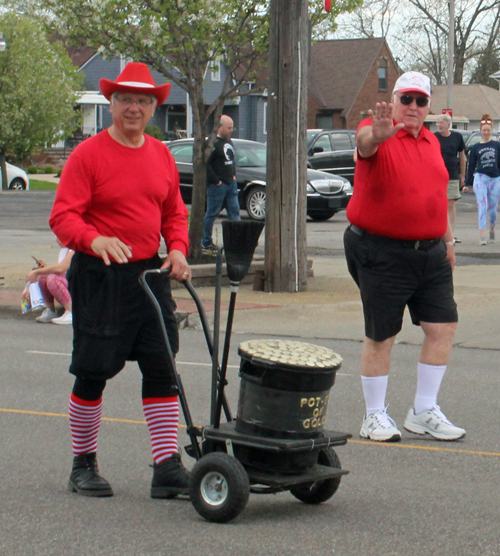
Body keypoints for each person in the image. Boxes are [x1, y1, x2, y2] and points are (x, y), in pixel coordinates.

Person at [49, 62, 192, 499]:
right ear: (111, 104)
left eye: (143, 100)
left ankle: (166, 467)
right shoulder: (88, 155)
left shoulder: (162, 154)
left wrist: (179, 249)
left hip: (149, 276)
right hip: (99, 276)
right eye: (125, 99)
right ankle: (82, 463)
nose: (134, 107)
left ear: (153, 107)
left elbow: (173, 212)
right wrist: (94, 239)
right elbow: (63, 217)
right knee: (93, 370)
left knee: (162, 368)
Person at [344, 71, 465, 443]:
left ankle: (423, 410)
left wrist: (448, 241)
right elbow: (364, 144)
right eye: (406, 99)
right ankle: (374, 415)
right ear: (394, 100)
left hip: (429, 252)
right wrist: (375, 136)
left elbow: (437, 197)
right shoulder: (377, 131)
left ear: (429, 108)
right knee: (383, 334)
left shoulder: (431, 142)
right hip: (380, 249)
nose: (413, 107)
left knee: (442, 327)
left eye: (421, 101)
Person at [201, 115, 241, 252]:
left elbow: (232, 159)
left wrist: (234, 175)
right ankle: (206, 241)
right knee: (212, 213)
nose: (231, 130)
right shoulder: (211, 143)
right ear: (220, 127)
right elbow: (205, 164)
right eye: (228, 127)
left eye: (232, 127)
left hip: (231, 183)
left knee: (235, 212)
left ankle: (236, 241)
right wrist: (216, 181)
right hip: (218, 185)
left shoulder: (229, 141)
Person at [465, 114, 500, 245]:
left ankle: (492, 230)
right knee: (482, 206)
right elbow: (471, 166)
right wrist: (467, 183)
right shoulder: (476, 147)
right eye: (484, 130)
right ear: (480, 131)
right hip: (481, 178)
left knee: (492, 209)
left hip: (495, 179)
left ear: (491, 130)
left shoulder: (497, 145)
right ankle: (482, 236)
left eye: (488, 130)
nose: (486, 132)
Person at [435, 113, 467, 243]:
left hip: (452, 175)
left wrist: (463, 176)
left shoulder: (457, 137)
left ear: (448, 124)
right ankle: (439, 234)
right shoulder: (434, 137)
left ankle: (451, 235)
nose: (439, 125)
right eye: (438, 123)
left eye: (441, 123)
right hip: (436, 176)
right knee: (438, 205)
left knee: (450, 204)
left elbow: (462, 157)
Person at [26, 237, 74, 325]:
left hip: (80, 287)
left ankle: (71, 312)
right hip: (71, 283)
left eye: (60, 237)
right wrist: (45, 268)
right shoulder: (64, 250)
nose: (57, 241)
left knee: (53, 279)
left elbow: (61, 268)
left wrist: (37, 272)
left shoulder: (74, 249)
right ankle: (51, 310)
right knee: (43, 276)